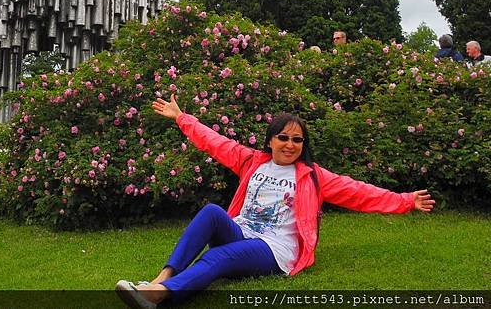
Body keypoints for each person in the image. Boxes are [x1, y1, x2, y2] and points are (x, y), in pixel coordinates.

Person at [115, 95, 435, 309]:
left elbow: (359, 192)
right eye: (283, 137)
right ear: (270, 139)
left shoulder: (312, 176)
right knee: (212, 212)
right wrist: (182, 118)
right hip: (242, 231)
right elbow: (215, 142)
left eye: (297, 139)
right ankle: (161, 279)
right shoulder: (251, 161)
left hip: (274, 249)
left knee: (221, 258)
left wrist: (405, 200)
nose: (290, 144)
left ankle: (159, 296)